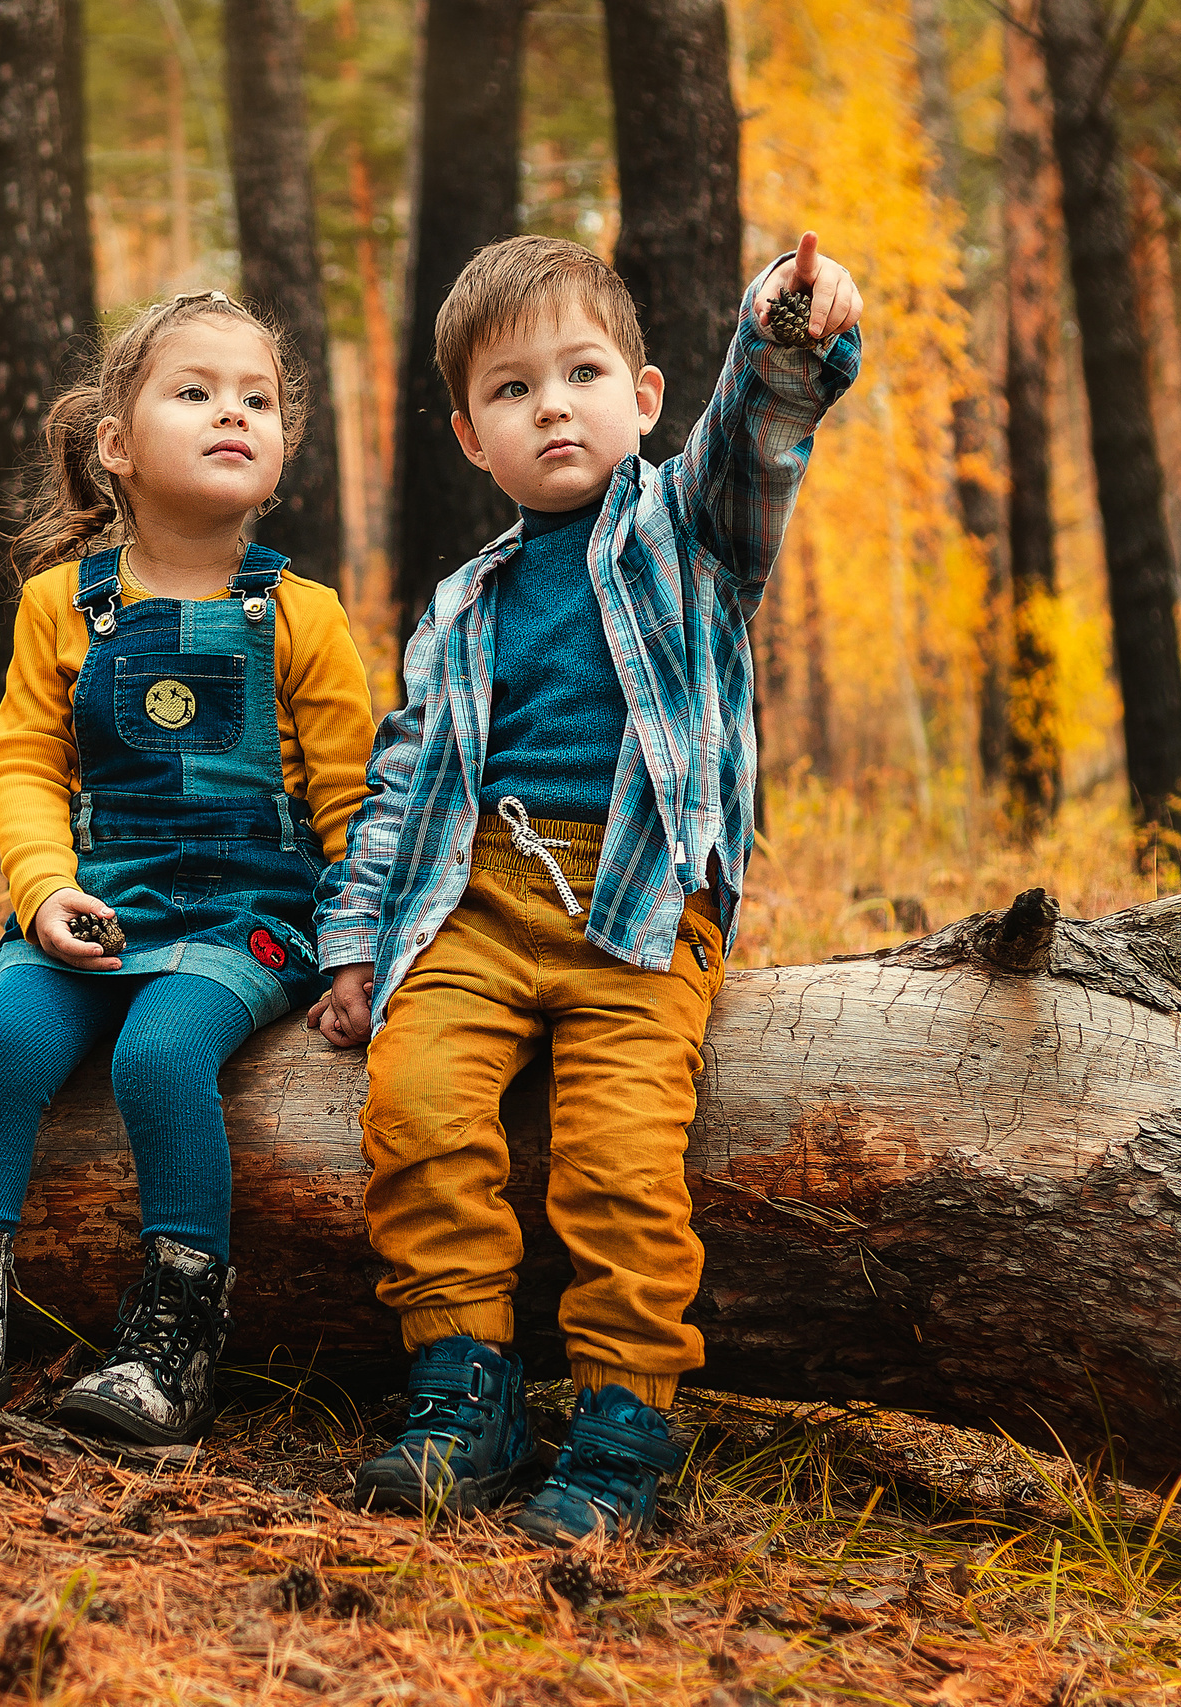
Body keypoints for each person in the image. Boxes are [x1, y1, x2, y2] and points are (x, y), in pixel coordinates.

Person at [307, 233, 862, 1538]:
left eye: (581, 371)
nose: (551, 402)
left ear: (647, 396)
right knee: (416, 1102)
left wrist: (785, 339)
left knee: (617, 1162)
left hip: (642, 904)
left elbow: (757, 438)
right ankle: (463, 1392)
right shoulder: (460, 606)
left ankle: (621, 1423)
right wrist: (351, 944)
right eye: (511, 389)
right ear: (468, 438)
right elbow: (401, 786)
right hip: (475, 901)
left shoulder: (689, 530)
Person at [0, 291, 374, 1446]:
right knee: (1, 1042)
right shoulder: (62, 606)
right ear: (115, 445)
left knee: (158, 1052)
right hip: (103, 903)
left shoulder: (301, 615)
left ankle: (176, 1327)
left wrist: (355, 951)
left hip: (247, 916)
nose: (229, 414)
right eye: (193, 392)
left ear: (284, 446)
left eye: (256, 398)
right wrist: (47, 892)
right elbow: (26, 770)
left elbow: (353, 800)